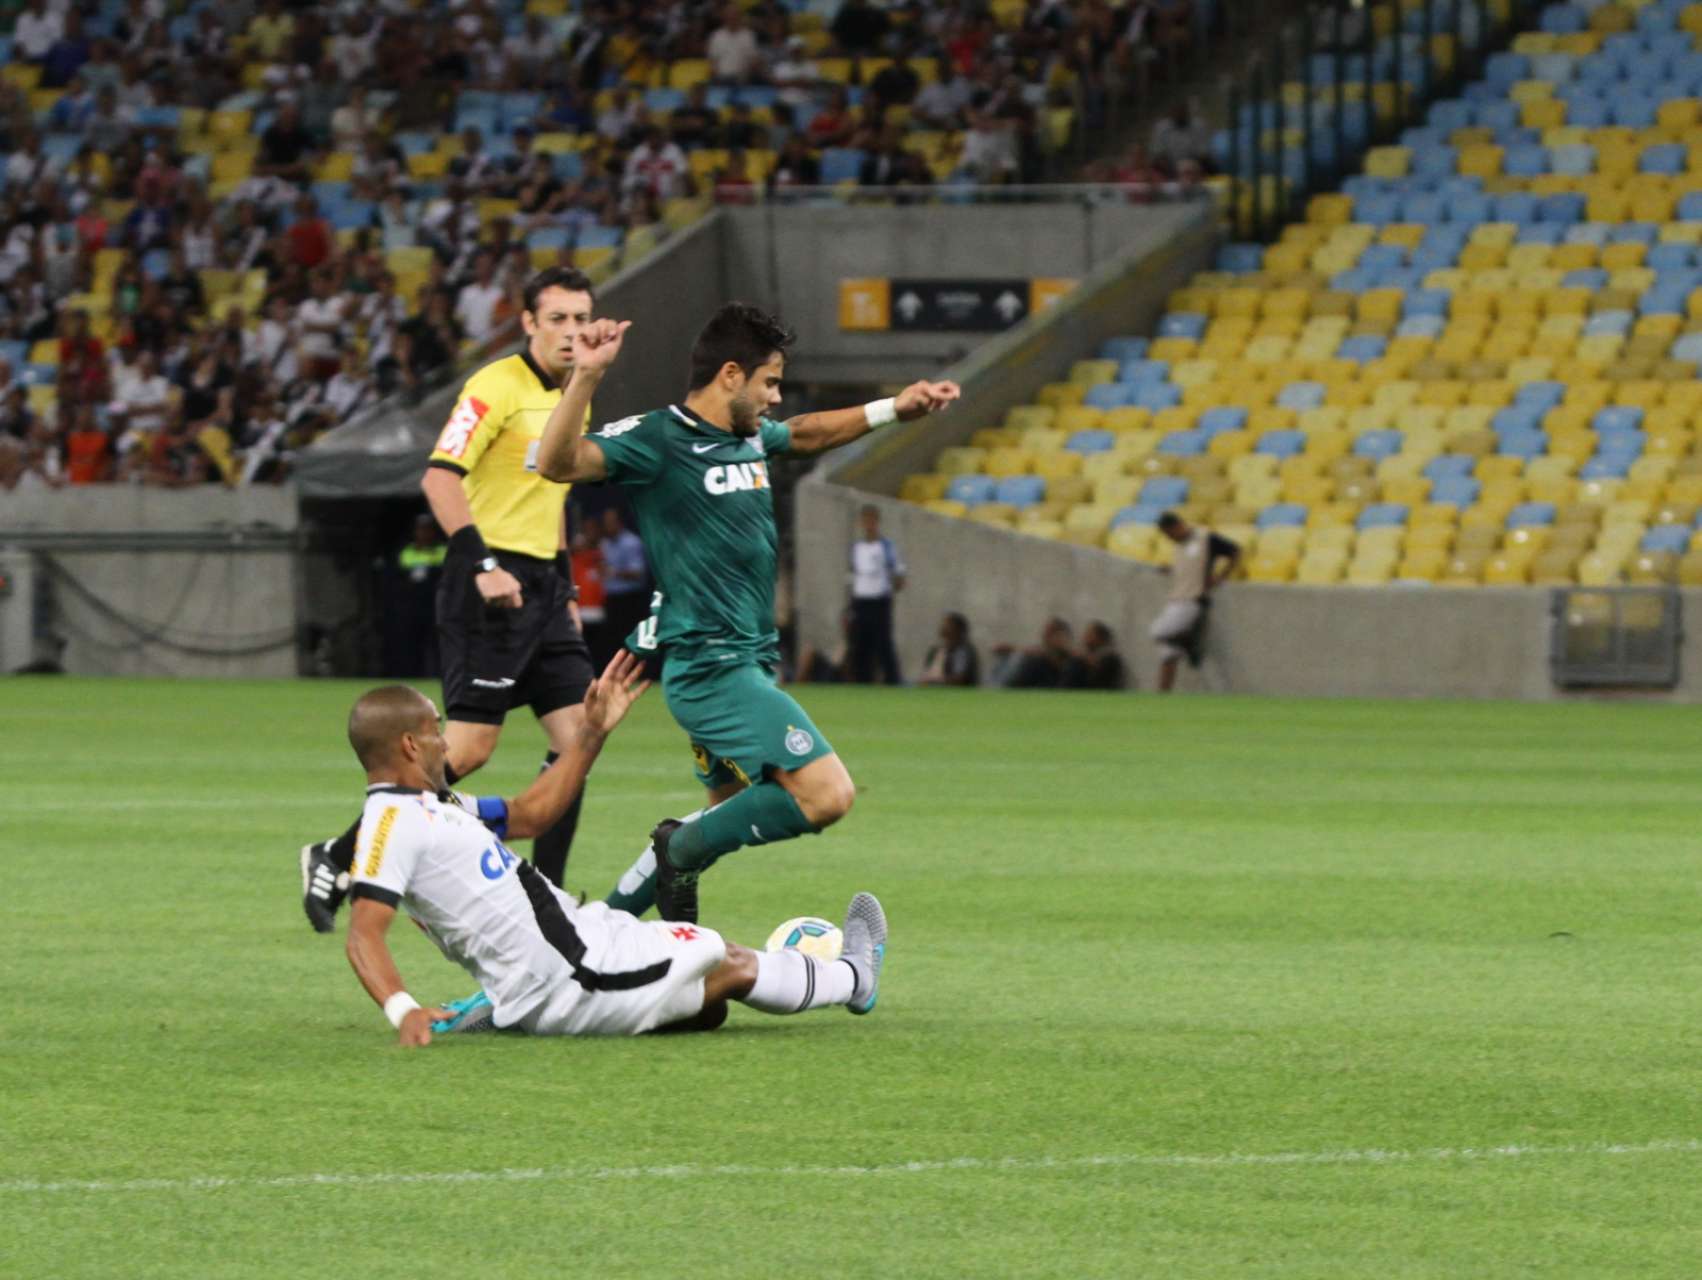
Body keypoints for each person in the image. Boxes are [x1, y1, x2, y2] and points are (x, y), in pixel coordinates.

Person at [533, 302, 960, 923]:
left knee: (724, 808)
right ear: (730, 375)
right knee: (825, 795)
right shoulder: (658, 438)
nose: (776, 397)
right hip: (710, 668)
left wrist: (896, 407)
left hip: (750, 665)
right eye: (770, 382)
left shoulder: (751, 436)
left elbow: (809, 432)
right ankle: (674, 848)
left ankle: (605, 927)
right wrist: (588, 376)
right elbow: (557, 463)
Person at [341, 654, 887, 1044]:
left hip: (579, 944)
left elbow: (532, 814)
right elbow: (364, 932)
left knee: (709, 1010)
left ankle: (510, 1009)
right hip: (576, 973)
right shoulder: (394, 822)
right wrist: (402, 1010)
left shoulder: (437, 806)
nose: (445, 741)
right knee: (726, 959)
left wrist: (592, 733)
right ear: (410, 745)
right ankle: (854, 978)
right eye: (437, 731)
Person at [299, 268, 601, 932]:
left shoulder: (576, 395)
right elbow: (438, 480)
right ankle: (338, 853)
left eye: (582, 319)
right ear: (528, 324)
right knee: (464, 751)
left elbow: (553, 495)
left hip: (543, 586)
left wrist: (568, 589)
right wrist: (486, 565)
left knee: (582, 735)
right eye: (558, 320)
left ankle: (547, 894)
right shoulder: (493, 386)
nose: (573, 333)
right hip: (487, 585)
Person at [1151, 510, 1240, 692]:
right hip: (1176, 597)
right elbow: (1189, 567)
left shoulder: (1205, 538)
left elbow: (1235, 551)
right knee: (1167, 653)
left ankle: (1188, 641)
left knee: (1157, 631)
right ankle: (1163, 693)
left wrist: (1221, 576)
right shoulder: (1179, 546)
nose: (1169, 538)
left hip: (1193, 599)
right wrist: (1171, 569)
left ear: (1176, 526)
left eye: (1169, 534)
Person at [848, 503, 904, 684]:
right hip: (861, 600)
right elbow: (853, 573)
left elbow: (898, 572)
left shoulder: (886, 546)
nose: (868, 523)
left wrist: (892, 586)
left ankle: (892, 680)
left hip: (879, 600)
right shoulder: (857, 548)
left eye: (871, 519)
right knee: (861, 643)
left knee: (883, 642)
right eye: (865, 520)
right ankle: (862, 680)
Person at [598, 506, 650, 646]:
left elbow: (638, 573)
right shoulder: (604, 543)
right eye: (605, 522)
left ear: (619, 522)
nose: (607, 526)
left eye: (611, 522)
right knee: (612, 642)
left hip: (630, 600)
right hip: (611, 600)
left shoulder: (631, 542)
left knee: (631, 641)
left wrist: (614, 572)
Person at [919, 612, 978, 686]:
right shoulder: (935, 650)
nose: (944, 629)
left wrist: (937, 680)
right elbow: (926, 673)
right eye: (943, 626)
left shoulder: (963, 651)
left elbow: (961, 678)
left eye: (949, 626)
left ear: (959, 630)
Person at [1072, 620, 1125, 690]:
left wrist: (1082, 658)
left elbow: (1099, 672)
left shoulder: (1110, 657)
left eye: (1090, 634)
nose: (1085, 637)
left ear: (1100, 637)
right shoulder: (1088, 654)